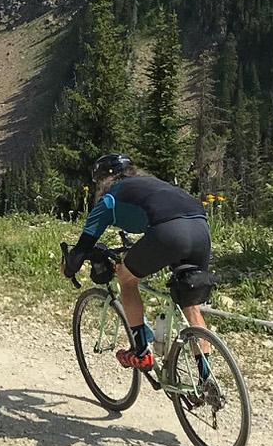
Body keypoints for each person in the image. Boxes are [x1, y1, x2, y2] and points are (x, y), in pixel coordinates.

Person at [60, 152, 214, 375]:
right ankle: (206, 377)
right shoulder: (153, 184)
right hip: (201, 227)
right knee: (190, 301)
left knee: (126, 278)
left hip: (168, 232)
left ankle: (141, 352)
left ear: (103, 179)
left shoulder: (109, 198)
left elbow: (82, 247)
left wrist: (68, 268)